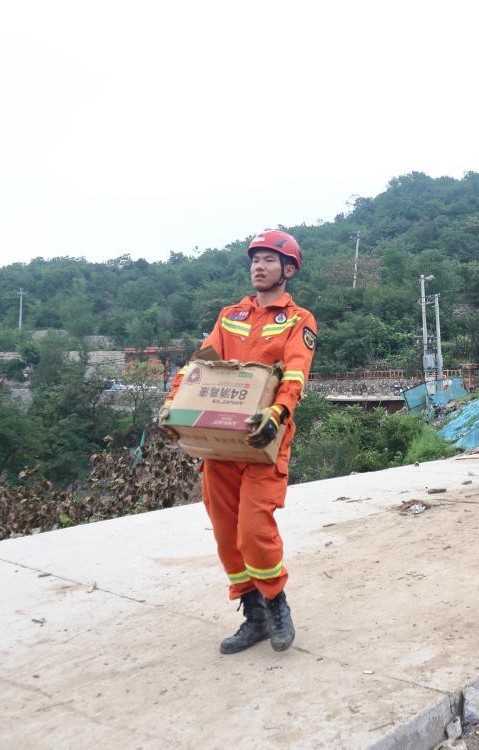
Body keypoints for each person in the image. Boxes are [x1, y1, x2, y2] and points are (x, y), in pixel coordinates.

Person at [159, 230, 317, 655]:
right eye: (254, 260)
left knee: (253, 529)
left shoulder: (298, 320)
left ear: (288, 270)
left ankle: (277, 604)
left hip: (264, 438)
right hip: (221, 441)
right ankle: (255, 616)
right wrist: (173, 403)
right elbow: (201, 364)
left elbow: (297, 374)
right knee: (227, 532)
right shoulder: (231, 316)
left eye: (268, 260)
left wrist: (278, 413)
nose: (258, 267)